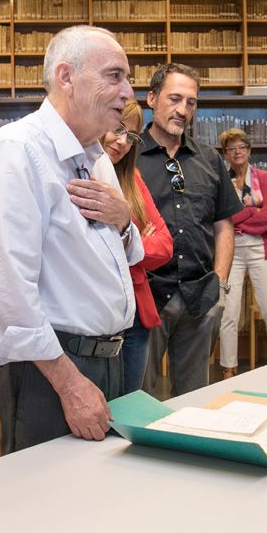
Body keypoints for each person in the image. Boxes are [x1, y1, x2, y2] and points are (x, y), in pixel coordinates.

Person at [0, 25, 143, 453]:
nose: (128, 92)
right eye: (115, 76)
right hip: (52, 370)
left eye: (128, 78)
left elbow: (128, 254)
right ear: (66, 77)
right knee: (46, 510)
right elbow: (8, 293)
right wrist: (70, 384)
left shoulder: (97, 157)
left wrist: (124, 221)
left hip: (110, 359)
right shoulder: (16, 151)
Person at [137, 63, 241, 396]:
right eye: (175, 98)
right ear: (151, 98)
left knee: (194, 401)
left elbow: (224, 224)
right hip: (147, 299)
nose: (183, 110)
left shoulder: (210, 159)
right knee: (136, 398)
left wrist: (221, 286)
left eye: (192, 102)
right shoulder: (127, 159)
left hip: (201, 298)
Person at [102, 99, 173, 394]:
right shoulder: (82, 175)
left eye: (131, 136)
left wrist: (126, 235)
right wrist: (138, 237)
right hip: (99, 315)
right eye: (117, 129)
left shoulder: (133, 180)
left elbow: (166, 246)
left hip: (135, 318)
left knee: (128, 407)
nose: (122, 142)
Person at [217, 128, 267, 378]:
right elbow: (221, 217)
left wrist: (237, 218)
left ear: (249, 150)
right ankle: (229, 368)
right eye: (231, 149)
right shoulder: (220, 179)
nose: (237, 152)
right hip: (230, 253)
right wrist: (249, 211)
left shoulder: (264, 178)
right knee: (229, 312)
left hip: (259, 250)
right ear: (225, 153)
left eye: (241, 147)